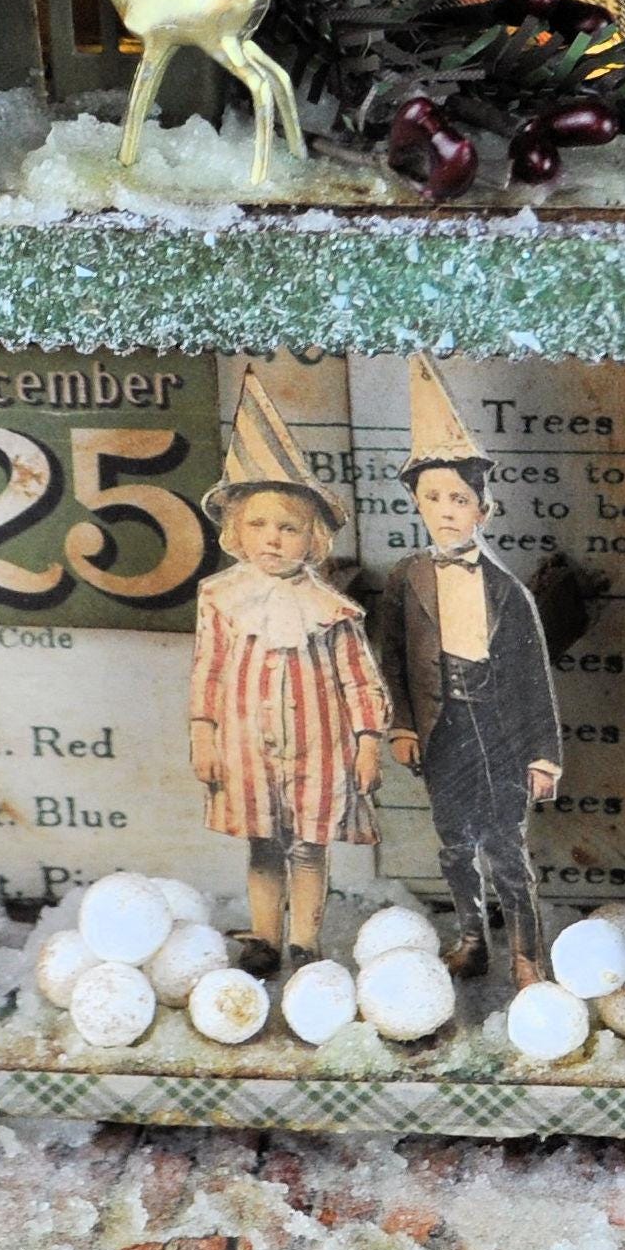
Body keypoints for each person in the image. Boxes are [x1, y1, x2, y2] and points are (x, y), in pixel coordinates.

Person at [188, 374, 392, 972]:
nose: (272, 540)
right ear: (236, 531)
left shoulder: (331, 609)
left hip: (319, 752)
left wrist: (368, 741)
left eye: (288, 528)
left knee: (308, 846)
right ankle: (264, 936)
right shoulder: (221, 598)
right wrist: (203, 733)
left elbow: (360, 680)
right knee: (262, 844)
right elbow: (209, 669)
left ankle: (304, 940)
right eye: (258, 525)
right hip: (247, 748)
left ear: (312, 538)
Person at [371, 358, 564, 987]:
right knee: (455, 842)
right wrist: (403, 724)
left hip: (499, 727)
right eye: (433, 498)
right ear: (416, 504)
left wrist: (542, 756)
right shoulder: (405, 580)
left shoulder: (508, 591)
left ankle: (527, 957)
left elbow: (534, 679)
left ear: (484, 509)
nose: (446, 510)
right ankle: (471, 940)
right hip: (442, 728)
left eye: (460, 499)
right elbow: (391, 659)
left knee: (506, 846)